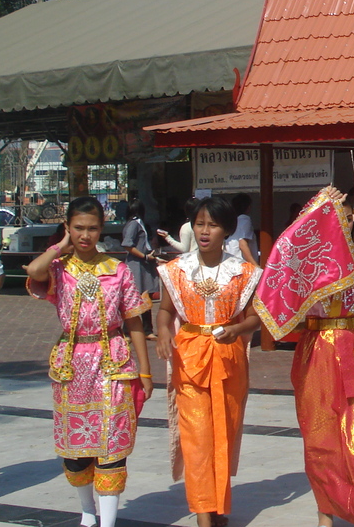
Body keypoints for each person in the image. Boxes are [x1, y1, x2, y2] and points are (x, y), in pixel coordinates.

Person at [255, 186, 354, 527]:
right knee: (321, 437)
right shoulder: (307, 263)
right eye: (335, 217)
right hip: (316, 352)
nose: (343, 223)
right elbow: (287, 246)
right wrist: (315, 206)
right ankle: (325, 514)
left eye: (347, 217)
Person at [24, 197, 154, 527]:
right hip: (71, 364)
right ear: (68, 228)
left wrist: (145, 370)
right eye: (78, 228)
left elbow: (134, 321)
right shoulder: (58, 268)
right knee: (75, 447)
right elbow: (34, 271)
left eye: (93, 228)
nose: (86, 235)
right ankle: (87, 511)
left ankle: (107, 521)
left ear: (101, 230)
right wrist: (61, 246)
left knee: (112, 442)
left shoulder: (117, 269)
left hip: (112, 361)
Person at [156, 196, 262, 527]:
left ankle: (217, 505)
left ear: (227, 230)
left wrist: (238, 328)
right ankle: (204, 515)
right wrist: (161, 332)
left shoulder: (243, 273)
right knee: (197, 438)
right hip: (190, 359)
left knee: (224, 436)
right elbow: (164, 311)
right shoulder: (176, 270)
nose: (204, 231)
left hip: (229, 361)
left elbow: (257, 317)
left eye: (213, 225)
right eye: (200, 224)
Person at [121, 199, 160, 336]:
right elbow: (127, 245)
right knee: (134, 297)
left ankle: (147, 329)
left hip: (143, 265)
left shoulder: (137, 223)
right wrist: (144, 256)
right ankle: (127, 331)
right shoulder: (134, 224)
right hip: (136, 266)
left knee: (145, 297)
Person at [226, 193, 258, 264]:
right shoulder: (245, 220)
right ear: (248, 207)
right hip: (241, 263)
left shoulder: (233, 221)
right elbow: (243, 244)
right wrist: (255, 265)